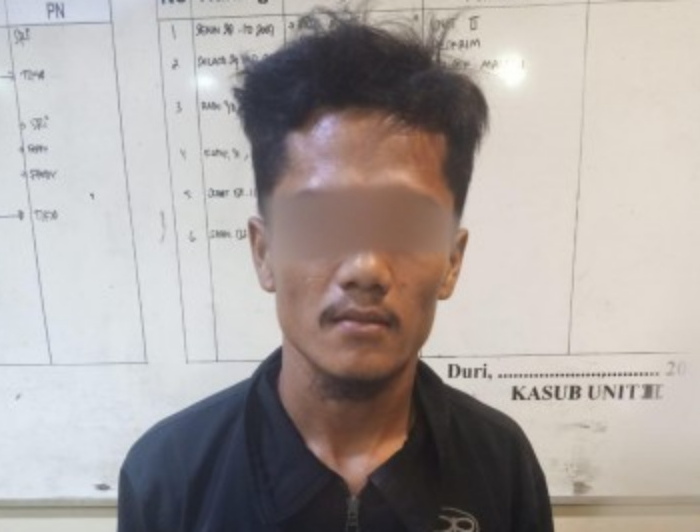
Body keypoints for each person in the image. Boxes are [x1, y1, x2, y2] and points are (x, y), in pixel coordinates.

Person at [118, 9, 553, 532]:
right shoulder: (170, 476)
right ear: (263, 252)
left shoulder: (501, 465)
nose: (365, 268)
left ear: (452, 262)